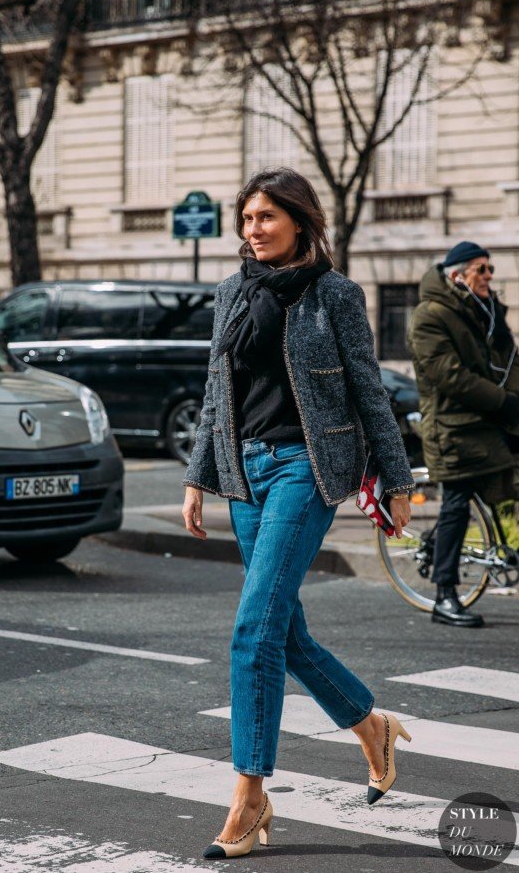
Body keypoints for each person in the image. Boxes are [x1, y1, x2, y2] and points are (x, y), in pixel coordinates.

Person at [182, 168, 414, 860]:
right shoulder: (232, 292)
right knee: (283, 633)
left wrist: (395, 477)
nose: (253, 230)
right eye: (246, 219)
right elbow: (216, 389)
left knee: (254, 628)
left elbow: (369, 389)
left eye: (266, 218)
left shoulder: (334, 294)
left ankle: (250, 798)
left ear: (300, 221)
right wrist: (199, 476)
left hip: (305, 470)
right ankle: (369, 724)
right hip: (245, 472)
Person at [407, 241, 519, 628]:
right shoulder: (430, 315)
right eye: (480, 269)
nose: (489, 276)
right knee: (456, 502)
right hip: (452, 427)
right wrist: (506, 402)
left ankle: (507, 549)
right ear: (456, 276)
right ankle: (445, 595)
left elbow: (509, 363)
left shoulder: (485, 311)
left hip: (488, 421)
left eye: (490, 268)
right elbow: (450, 376)